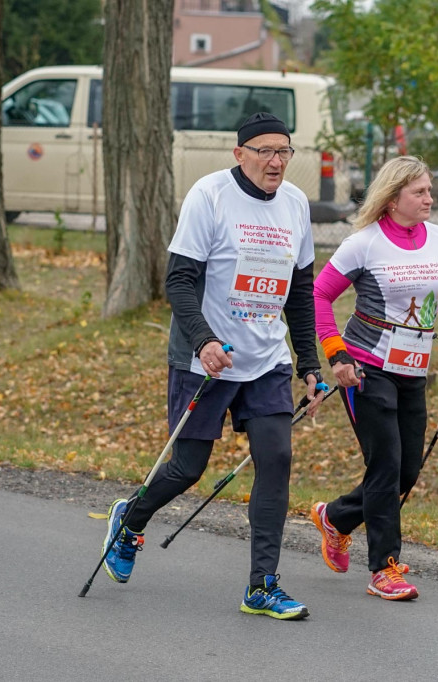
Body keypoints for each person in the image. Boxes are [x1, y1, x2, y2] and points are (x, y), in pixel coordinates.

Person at [101, 112, 325, 620]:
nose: (275, 161)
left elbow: (301, 292)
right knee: (188, 468)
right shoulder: (209, 195)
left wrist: (308, 364)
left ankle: (262, 586)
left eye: (284, 151)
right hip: (207, 358)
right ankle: (130, 520)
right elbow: (179, 280)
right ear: (239, 153)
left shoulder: (294, 205)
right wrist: (203, 341)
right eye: (264, 150)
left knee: (277, 461)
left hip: (266, 359)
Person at [311, 156, 438, 600]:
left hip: (414, 371)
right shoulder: (363, 243)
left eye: (428, 190)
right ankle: (385, 568)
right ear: (392, 198)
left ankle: (336, 518)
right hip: (366, 368)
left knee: (406, 471)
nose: (430, 198)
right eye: (420, 192)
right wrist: (336, 355)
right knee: (385, 464)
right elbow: (320, 295)